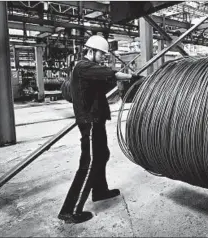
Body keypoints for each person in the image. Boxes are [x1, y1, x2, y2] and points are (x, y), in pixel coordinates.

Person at [58, 35, 140, 224]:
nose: (103, 57)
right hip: (90, 121)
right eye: (101, 54)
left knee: (102, 154)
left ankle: (100, 190)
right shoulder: (83, 66)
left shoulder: (90, 70)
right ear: (91, 51)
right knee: (89, 162)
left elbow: (105, 83)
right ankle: (70, 210)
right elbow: (108, 73)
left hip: (98, 119)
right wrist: (132, 77)